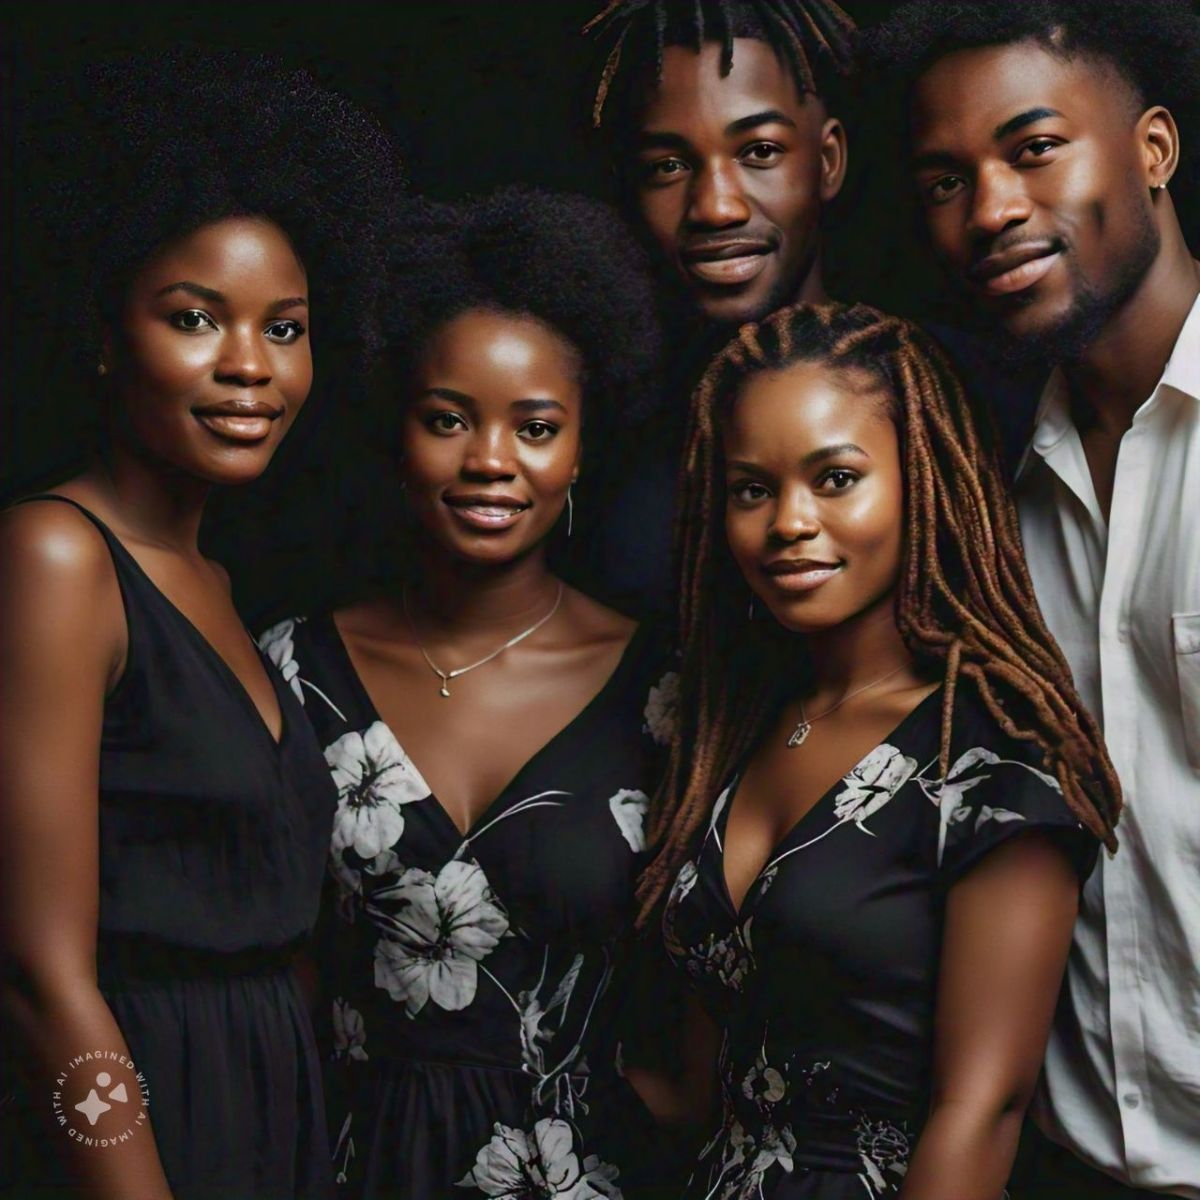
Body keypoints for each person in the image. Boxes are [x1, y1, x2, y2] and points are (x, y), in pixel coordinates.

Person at [0, 53, 398, 1199]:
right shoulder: (56, 556)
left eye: (286, 329)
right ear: (105, 333)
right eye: (194, 318)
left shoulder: (220, 587)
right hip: (132, 1124)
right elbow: (36, 970)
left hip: (269, 1109)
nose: (248, 369)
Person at [633, 301, 1121, 1199]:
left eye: (836, 478)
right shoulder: (733, 728)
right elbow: (704, 1078)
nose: (789, 521)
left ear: (921, 478)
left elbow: (983, 1113)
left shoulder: (993, 762)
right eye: (752, 488)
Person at [259, 188, 676, 1199]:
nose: (490, 461)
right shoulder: (295, 672)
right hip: (355, 1167)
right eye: (448, 420)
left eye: (535, 427)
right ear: (400, 436)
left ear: (580, 448)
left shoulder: (665, 693)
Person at [864, 3, 1200, 1195]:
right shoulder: (979, 490)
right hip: (1065, 1167)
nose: (992, 208)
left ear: (1153, 151)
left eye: (1034, 147)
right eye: (948, 179)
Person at [580, 0, 857, 615]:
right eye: (669, 166)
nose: (715, 207)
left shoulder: (932, 404)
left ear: (828, 161)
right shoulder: (608, 435)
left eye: (759, 152)